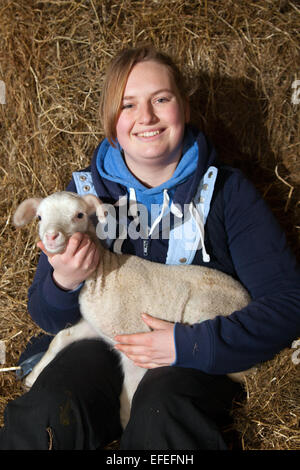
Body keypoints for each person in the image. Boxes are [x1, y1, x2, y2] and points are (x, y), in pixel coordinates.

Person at [1, 45, 299, 450]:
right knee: (51, 409)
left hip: (190, 356)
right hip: (102, 346)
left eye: (161, 99)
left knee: (162, 412)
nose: (146, 117)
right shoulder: (82, 200)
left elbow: (287, 302)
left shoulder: (227, 193)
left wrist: (192, 343)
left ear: (185, 109)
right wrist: (64, 280)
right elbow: (46, 314)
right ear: (111, 121)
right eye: (128, 105)